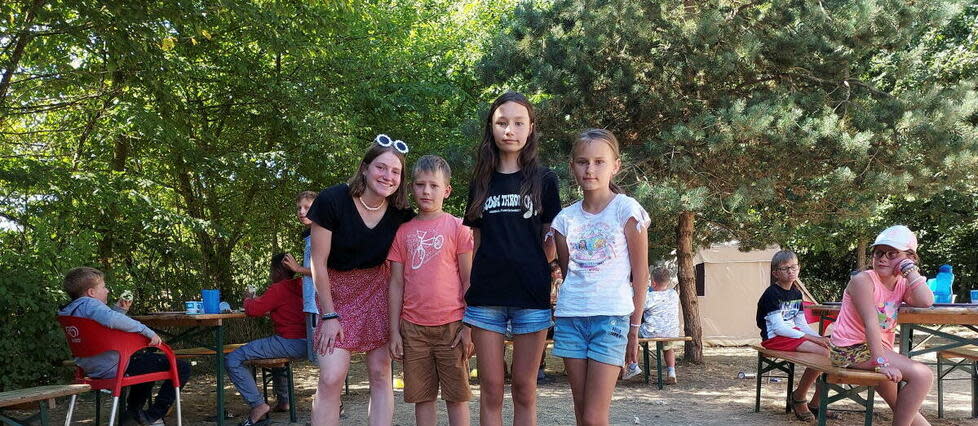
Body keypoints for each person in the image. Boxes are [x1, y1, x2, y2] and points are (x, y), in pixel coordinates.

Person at [462, 91, 561, 426]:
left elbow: (551, 238)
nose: (510, 130)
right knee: (490, 389)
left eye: (519, 122)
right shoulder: (480, 180)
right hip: (486, 298)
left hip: (530, 296)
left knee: (524, 388)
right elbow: (475, 241)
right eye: (502, 122)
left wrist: (532, 266)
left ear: (530, 128)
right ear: (491, 127)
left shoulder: (545, 180)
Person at [307, 135, 414, 425]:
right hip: (335, 293)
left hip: (378, 290)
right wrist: (329, 314)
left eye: (395, 172)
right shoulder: (332, 200)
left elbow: (407, 265)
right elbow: (318, 262)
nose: (387, 176)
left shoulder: (402, 214)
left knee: (381, 372)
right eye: (381, 167)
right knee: (331, 377)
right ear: (365, 168)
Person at [552, 128, 650, 425]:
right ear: (573, 166)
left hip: (610, 320)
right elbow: (569, 274)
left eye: (599, 161)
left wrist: (635, 327)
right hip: (570, 319)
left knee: (595, 416)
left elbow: (641, 274)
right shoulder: (564, 220)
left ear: (615, 165)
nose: (590, 169)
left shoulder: (627, 210)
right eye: (583, 162)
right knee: (582, 413)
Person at [388, 155, 475, 426]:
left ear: (446, 190)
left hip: (452, 327)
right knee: (422, 398)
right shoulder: (402, 231)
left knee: (457, 397)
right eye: (420, 184)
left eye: (434, 186)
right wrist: (394, 331)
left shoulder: (459, 228)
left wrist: (468, 326)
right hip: (413, 329)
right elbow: (396, 283)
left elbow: (469, 279)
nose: (426, 191)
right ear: (411, 187)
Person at [58, 267, 191, 426]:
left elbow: (105, 328)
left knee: (146, 362)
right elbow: (112, 320)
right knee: (181, 367)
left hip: (92, 368)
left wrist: (119, 310)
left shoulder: (70, 310)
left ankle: (133, 413)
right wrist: (146, 331)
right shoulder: (90, 304)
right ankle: (154, 415)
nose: (107, 290)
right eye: (104, 287)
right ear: (91, 292)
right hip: (117, 366)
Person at [829, 225, 934, 426]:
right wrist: (881, 363)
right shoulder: (863, 281)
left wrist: (910, 271)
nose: (883, 258)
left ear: (909, 257)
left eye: (892, 254)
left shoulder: (902, 283)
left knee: (902, 405)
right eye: (879, 253)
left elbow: (926, 300)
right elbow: (871, 323)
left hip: (876, 349)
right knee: (923, 375)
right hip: (850, 349)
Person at [225, 254, 307, 426]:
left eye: (271, 271)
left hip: (288, 341)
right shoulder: (303, 284)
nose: (270, 275)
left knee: (232, 358)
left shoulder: (279, 289)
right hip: (308, 342)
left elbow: (254, 309)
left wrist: (247, 298)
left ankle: (258, 405)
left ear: (278, 271)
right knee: (273, 357)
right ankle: (284, 401)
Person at [755, 250, 831, 421]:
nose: (790, 271)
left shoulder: (797, 293)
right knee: (824, 354)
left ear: (799, 268)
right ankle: (799, 396)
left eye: (793, 267)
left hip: (793, 335)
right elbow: (780, 328)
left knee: (832, 351)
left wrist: (821, 339)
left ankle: (817, 403)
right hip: (775, 338)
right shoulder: (772, 294)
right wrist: (814, 339)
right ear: (775, 273)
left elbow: (801, 324)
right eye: (785, 268)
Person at [283, 191, 319, 364]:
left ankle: (327, 391)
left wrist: (297, 268)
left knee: (321, 353)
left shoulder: (320, 236)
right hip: (311, 304)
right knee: (316, 352)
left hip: (318, 304)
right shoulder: (310, 237)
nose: (301, 212)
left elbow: (324, 269)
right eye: (299, 208)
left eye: (307, 207)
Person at [637, 267, 681, 384]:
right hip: (670, 331)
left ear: (654, 283)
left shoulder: (649, 296)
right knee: (668, 348)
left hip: (651, 331)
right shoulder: (673, 294)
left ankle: (632, 365)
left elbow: (638, 309)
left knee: (632, 335)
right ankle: (671, 371)